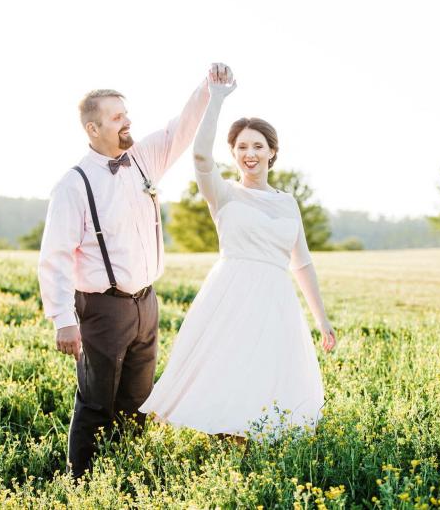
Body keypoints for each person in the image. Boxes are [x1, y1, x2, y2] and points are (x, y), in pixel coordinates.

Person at [37, 64, 229, 478]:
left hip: (146, 303)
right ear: (93, 128)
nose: (128, 122)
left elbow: (181, 128)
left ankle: (123, 474)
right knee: (95, 401)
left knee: (139, 400)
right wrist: (62, 320)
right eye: (117, 117)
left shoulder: (143, 159)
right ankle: (81, 483)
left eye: (126, 113)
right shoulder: (74, 184)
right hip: (101, 309)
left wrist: (207, 88)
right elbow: (54, 256)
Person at [139, 66, 337, 440]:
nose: (250, 153)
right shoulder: (224, 193)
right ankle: (224, 440)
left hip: (275, 299)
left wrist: (321, 319)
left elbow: (303, 263)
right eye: (242, 147)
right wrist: (216, 99)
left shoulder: (288, 203)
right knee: (227, 366)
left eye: (258, 145)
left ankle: (251, 441)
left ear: (272, 151)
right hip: (231, 292)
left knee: (265, 372)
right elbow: (199, 157)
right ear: (233, 153)